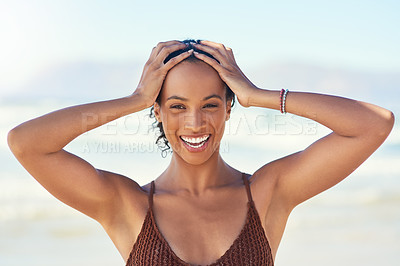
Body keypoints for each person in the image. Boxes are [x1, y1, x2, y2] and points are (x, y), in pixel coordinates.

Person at [8, 39, 394, 265]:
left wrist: (257, 95)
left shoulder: (267, 193)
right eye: (176, 106)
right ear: (157, 112)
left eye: (210, 104)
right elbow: (26, 143)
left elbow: (373, 124)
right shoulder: (126, 204)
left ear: (229, 107)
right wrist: (135, 99)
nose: (194, 123)